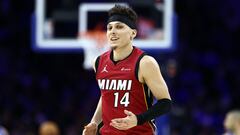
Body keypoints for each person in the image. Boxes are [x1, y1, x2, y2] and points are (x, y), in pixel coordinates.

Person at [83, 4, 172, 135]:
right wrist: (95, 122)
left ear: (133, 33)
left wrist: (137, 119)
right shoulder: (99, 62)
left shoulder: (145, 63)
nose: (113, 31)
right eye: (109, 28)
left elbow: (165, 103)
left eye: (119, 27)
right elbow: (106, 96)